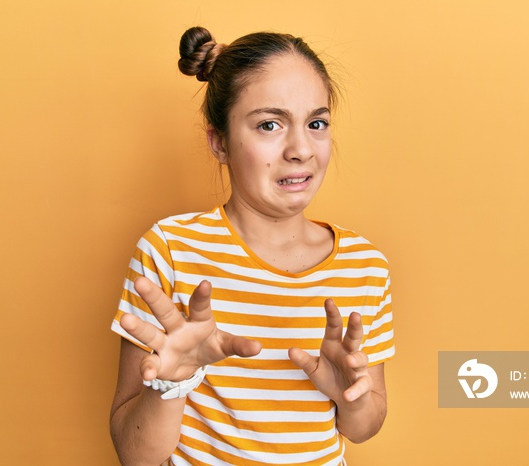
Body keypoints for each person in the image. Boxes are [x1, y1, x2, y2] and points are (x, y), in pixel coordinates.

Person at [109, 26, 395, 466]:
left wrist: (351, 398)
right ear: (219, 142)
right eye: (269, 124)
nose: (301, 149)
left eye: (316, 123)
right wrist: (174, 383)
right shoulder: (168, 250)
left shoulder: (365, 266)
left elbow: (364, 426)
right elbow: (134, 454)